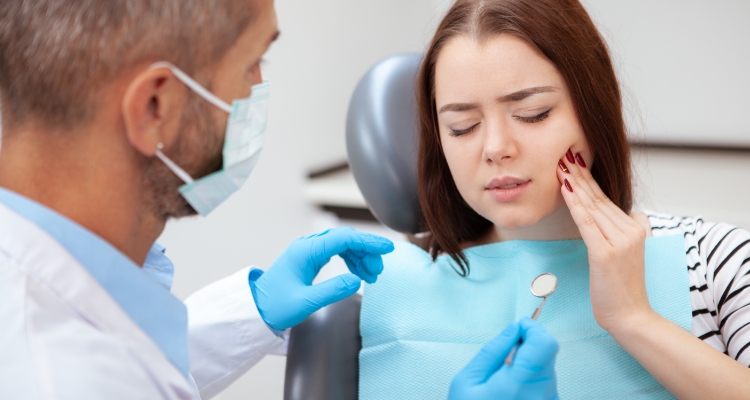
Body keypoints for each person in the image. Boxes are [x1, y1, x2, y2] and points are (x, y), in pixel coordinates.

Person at [0, 0, 558, 399]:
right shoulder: (59, 375)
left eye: (532, 113)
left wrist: (252, 312)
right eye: (250, 67)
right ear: (155, 109)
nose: (258, 90)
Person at [361, 0, 750, 398]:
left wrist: (634, 319)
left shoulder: (716, 263)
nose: (496, 148)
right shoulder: (387, 289)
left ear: (593, 111)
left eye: (534, 113)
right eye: (463, 127)